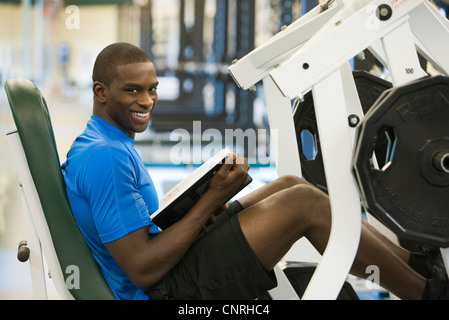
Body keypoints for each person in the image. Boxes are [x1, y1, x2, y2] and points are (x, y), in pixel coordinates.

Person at [62, 42, 447, 300]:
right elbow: (143, 270)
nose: (147, 101)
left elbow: (138, 232)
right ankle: (425, 293)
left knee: (289, 183)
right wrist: (209, 200)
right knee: (303, 203)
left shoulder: (104, 144)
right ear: (101, 92)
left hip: (168, 270)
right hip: (163, 291)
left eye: (152, 89)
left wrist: (203, 203)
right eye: (133, 91)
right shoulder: (105, 159)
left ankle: (412, 264)